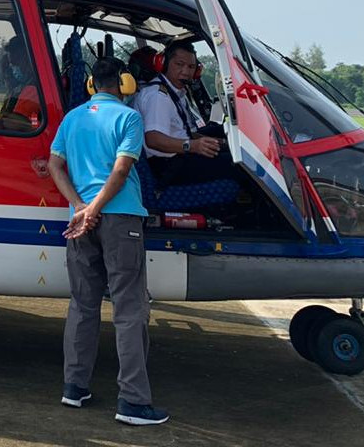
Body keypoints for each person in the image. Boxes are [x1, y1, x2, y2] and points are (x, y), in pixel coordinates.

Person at [48, 57, 169, 426]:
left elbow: (54, 164)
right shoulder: (129, 118)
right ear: (125, 82)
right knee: (130, 310)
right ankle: (132, 401)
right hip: (121, 220)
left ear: (90, 84)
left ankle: (74, 387)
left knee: (82, 306)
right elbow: (121, 169)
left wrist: (81, 208)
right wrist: (97, 207)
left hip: (81, 222)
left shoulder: (72, 118)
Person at [134, 40, 229, 188]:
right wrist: (192, 146)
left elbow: (184, 133)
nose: (185, 72)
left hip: (178, 158)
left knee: (219, 131)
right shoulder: (158, 96)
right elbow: (153, 140)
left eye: (191, 67)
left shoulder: (176, 92)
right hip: (167, 167)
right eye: (179, 64)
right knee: (235, 164)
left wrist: (219, 143)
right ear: (164, 63)